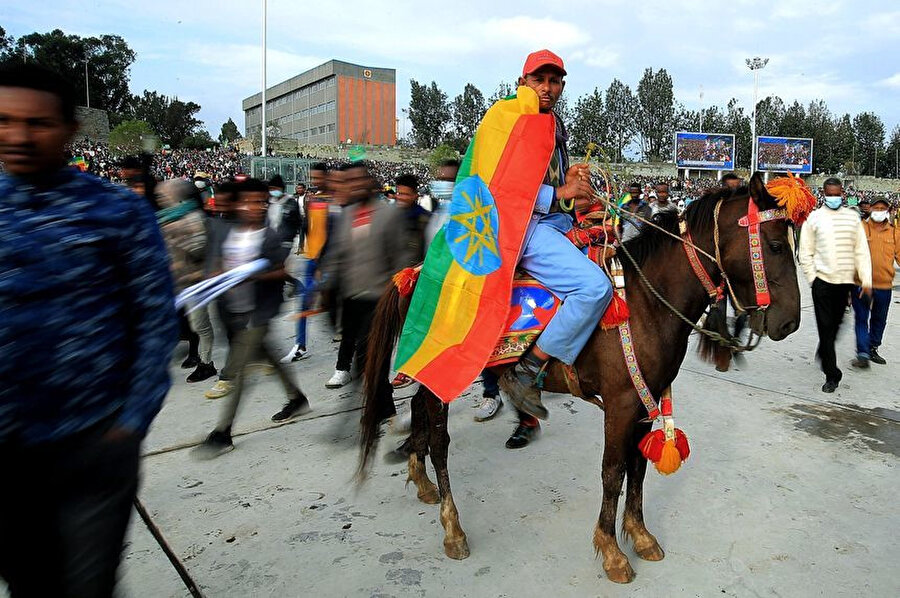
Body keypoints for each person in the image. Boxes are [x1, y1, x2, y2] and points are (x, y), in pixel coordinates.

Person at [0, 63, 177, 597]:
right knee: (32, 582)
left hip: (93, 441)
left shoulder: (117, 211)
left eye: (38, 124)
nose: (20, 137)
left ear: (69, 129)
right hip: (6, 451)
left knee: (87, 584)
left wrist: (131, 420)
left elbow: (154, 316)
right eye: (5, 121)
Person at [498, 50, 612, 448]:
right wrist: (559, 192)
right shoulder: (510, 119)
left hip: (556, 221)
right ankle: (526, 371)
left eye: (555, 81)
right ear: (522, 81)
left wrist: (575, 188)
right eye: (539, 80)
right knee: (595, 289)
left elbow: (556, 187)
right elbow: (501, 186)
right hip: (526, 227)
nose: (548, 88)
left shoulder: (553, 124)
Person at [194, 178, 312, 458]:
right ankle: (297, 398)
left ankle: (223, 432)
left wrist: (253, 273)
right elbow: (218, 262)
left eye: (261, 201)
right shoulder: (228, 232)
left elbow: (282, 271)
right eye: (250, 201)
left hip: (260, 311)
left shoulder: (269, 237)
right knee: (268, 355)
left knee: (242, 368)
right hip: (234, 311)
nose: (256, 207)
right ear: (238, 204)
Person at [321, 162, 412, 389]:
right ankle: (380, 410)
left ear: (370, 182)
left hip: (379, 300)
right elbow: (337, 255)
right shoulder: (347, 216)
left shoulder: (389, 215)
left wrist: (396, 299)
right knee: (364, 364)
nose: (355, 185)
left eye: (359, 179)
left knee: (375, 363)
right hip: (351, 298)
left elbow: (401, 259)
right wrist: (327, 287)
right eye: (350, 181)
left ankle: (380, 412)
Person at [798, 177, 872, 393]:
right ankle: (832, 374)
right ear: (823, 194)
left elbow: (861, 251)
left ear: (843, 194)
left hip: (845, 283)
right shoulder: (814, 219)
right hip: (822, 283)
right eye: (829, 195)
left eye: (836, 194)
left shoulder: (852, 218)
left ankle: (824, 350)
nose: (833, 198)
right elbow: (805, 252)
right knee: (825, 329)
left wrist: (866, 281)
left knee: (835, 326)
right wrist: (813, 279)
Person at [156, 178, 218, 383]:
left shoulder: (192, 218)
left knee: (200, 325)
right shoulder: (168, 218)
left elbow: (199, 249)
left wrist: (176, 239)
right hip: (179, 284)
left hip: (195, 283)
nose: (160, 197)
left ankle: (206, 363)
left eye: (165, 193)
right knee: (191, 324)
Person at [282, 163, 331, 363]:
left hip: (327, 263)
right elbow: (309, 227)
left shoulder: (334, 201)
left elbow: (334, 233)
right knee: (304, 302)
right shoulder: (314, 199)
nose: (315, 180)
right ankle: (300, 345)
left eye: (318, 177)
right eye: (313, 177)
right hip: (312, 259)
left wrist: (324, 261)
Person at [850, 197, 899, 368]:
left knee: (879, 320)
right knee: (862, 318)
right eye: (876, 207)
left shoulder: (894, 232)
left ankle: (872, 348)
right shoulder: (860, 229)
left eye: (882, 208)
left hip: (884, 286)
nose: (879, 211)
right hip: (861, 285)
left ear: (888, 210)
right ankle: (862, 353)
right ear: (870, 209)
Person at [395, 173, 431, 264]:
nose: (401, 198)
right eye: (399, 193)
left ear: (415, 195)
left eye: (406, 194)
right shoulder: (390, 216)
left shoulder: (424, 219)